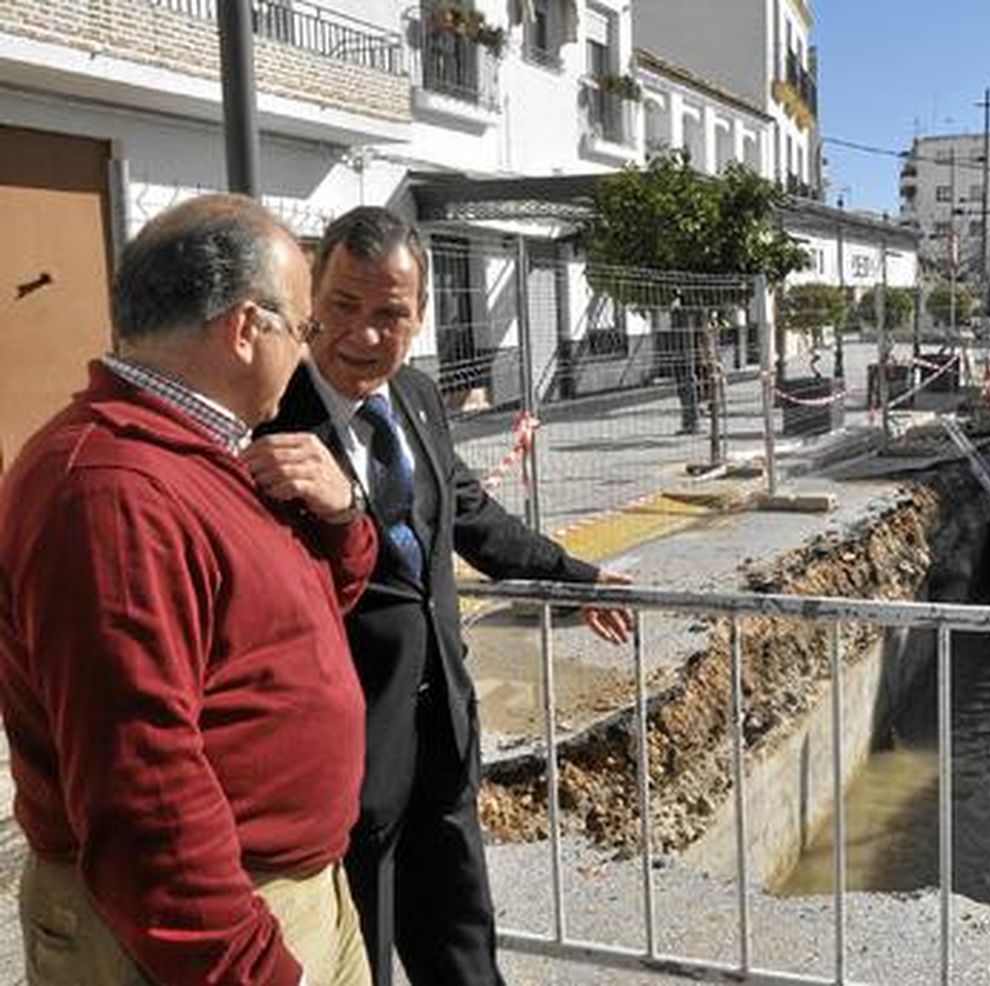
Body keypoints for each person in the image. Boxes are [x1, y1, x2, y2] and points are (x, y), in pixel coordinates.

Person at [0, 194, 377, 985]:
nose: (308, 357)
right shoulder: (112, 490)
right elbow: (142, 785)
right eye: (304, 329)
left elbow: (291, 622)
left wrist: (342, 520)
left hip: (289, 893)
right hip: (203, 933)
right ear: (246, 329)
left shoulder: (203, 453)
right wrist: (248, 966)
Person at [260, 206, 633, 986]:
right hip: (345, 766)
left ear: (421, 315)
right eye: (343, 308)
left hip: (445, 743)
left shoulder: (420, 397)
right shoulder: (268, 421)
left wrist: (577, 578)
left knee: (464, 950)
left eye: (391, 314)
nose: (364, 336)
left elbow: (471, 516)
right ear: (310, 304)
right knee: (358, 958)